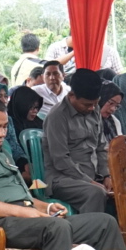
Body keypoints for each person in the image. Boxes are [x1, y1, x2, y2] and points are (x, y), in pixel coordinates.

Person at [0, 96, 124, 250]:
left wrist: (45, 207)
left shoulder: (2, 152)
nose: (2, 134)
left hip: (23, 220)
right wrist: (24, 212)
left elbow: (22, 198)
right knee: (56, 227)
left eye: (5, 127)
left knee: (105, 223)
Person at [40, 68, 112, 216]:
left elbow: (101, 146)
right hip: (63, 179)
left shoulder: (94, 109)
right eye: (87, 105)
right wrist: (89, 182)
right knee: (95, 193)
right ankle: (91, 230)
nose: (92, 108)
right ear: (71, 95)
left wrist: (107, 175)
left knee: (124, 187)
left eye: (95, 103)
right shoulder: (57, 116)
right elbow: (60, 159)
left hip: (93, 175)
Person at [4, 85, 43, 170]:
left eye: (37, 107)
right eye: (31, 107)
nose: (35, 111)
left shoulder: (39, 122)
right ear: (21, 105)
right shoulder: (9, 124)